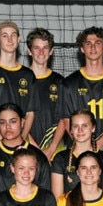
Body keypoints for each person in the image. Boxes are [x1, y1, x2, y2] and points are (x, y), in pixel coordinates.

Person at [50, 26, 103, 155]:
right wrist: (82, 147)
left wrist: (97, 145)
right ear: (82, 48)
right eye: (88, 43)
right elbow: (66, 121)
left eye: (98, 43)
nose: (93, 47)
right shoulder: (69, 83)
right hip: (77, 149)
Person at [0, 21, 37, 148]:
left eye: (13, 35)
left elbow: (30, 113)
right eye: (4, 36)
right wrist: (3, 143)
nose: (10, 39)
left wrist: (21, 141)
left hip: (19, 147)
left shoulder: (28, 75)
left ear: (19, 39)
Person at [0, 103, 51, 204]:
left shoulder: (38, 156)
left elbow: (45, 195)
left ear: (22, 122)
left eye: (13, 121)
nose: (8, 126)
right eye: (2, 122)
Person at [50, 108, 103, 198]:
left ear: (93, 128)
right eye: (75, 126)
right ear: (71, 131)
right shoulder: (60, 158)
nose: (80, 130)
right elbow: (57, 200)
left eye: (84, 125)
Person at [27, 27, 65, 158]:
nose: (41, 52)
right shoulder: (20, 80)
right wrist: (36, 149)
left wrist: (51, 148)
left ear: (51, 51)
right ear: (29, 51)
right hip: (27, 150)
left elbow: (64, 118)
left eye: (45, 48)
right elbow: (18, 119)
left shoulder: (60, 82)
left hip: (55, 151)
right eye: (36, 48)